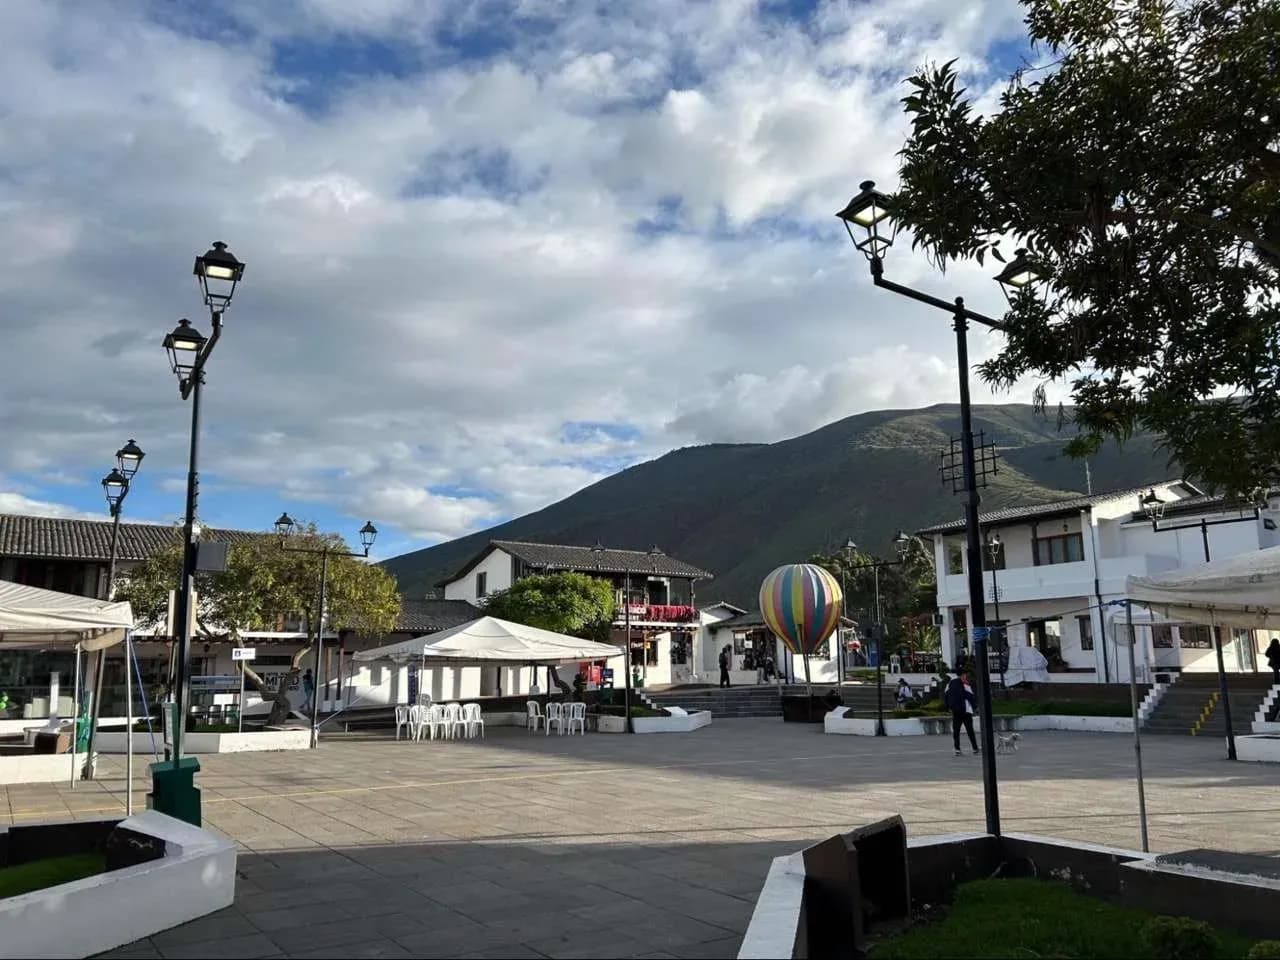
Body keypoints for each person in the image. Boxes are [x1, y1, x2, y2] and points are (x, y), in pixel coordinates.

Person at [944, 670, 979, 756]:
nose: (966, 676)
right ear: (963, 675)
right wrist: (975, 707)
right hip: (966, 710)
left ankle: (957, 749)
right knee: (970, 730)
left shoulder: (950, 684)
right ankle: (975, 748)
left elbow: (946, 695)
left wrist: (948, 707)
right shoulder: (966, 684)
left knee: (956, 731)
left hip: (956, 711)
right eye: (965, 675)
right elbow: (971, 696)